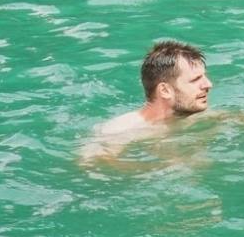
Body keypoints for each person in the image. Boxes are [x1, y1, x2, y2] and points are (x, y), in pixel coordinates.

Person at [85, 39, 213, 152]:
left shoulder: (190, 116)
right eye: (195, 80)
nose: (208, 84)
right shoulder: (119, 130)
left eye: (204, 77)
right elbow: (90, 166)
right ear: (164, 90)